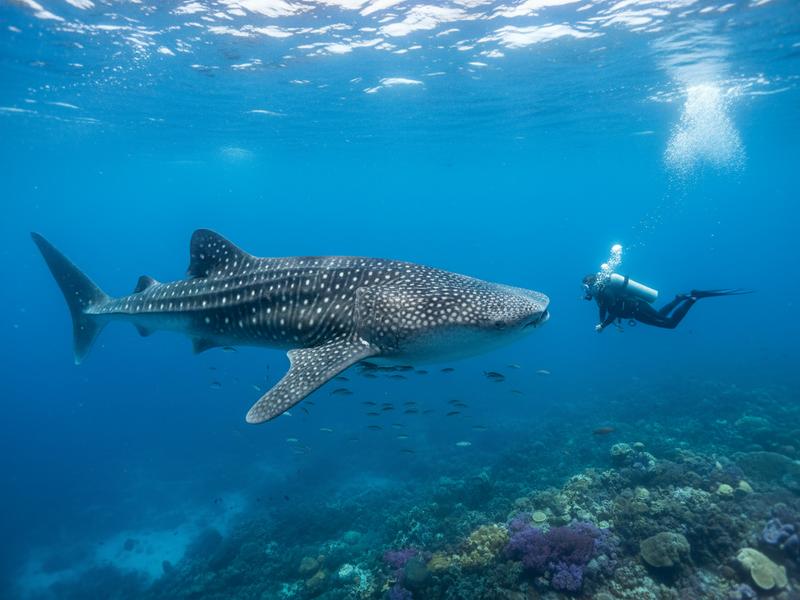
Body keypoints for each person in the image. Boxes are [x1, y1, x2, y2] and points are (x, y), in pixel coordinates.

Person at [582, 274, 751, 332]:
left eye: (586, 286)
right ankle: (679, 299)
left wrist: (603, 325)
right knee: (663, 317)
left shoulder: (604, 291)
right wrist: (605, 323)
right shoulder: (601, 294)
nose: (586, 291)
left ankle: (693, 298)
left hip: (637, 307)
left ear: (590, 284)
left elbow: (612, 309)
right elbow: (611, 309)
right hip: (635, 311)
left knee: (670, 324)